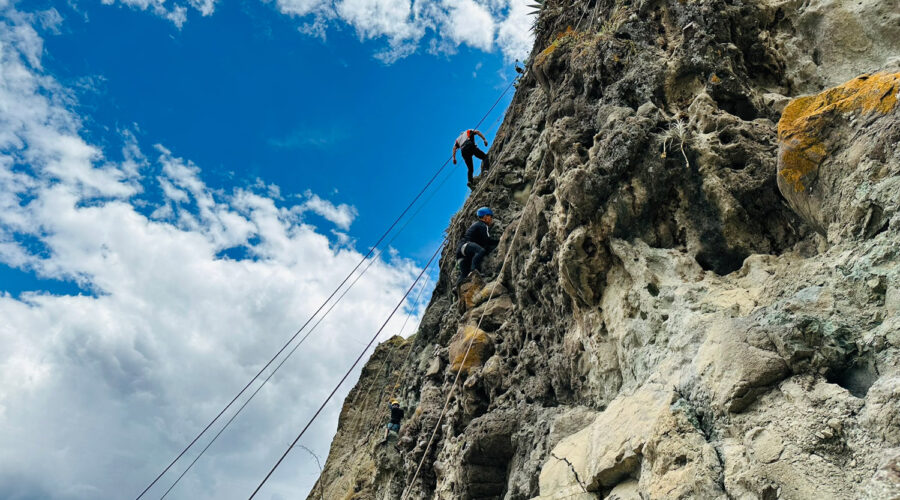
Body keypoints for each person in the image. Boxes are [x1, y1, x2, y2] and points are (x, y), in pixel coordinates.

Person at [456, 207, 499, 288]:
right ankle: (474, 272)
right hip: (466, 246)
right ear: (485, 217)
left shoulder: (476, 225)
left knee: (464, 273)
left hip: (460, 252)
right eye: (490, 216)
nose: (491, 219)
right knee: (480, 251)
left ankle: (457, 288)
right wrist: (499, 241)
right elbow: (487, 241)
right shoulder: (483, 225)